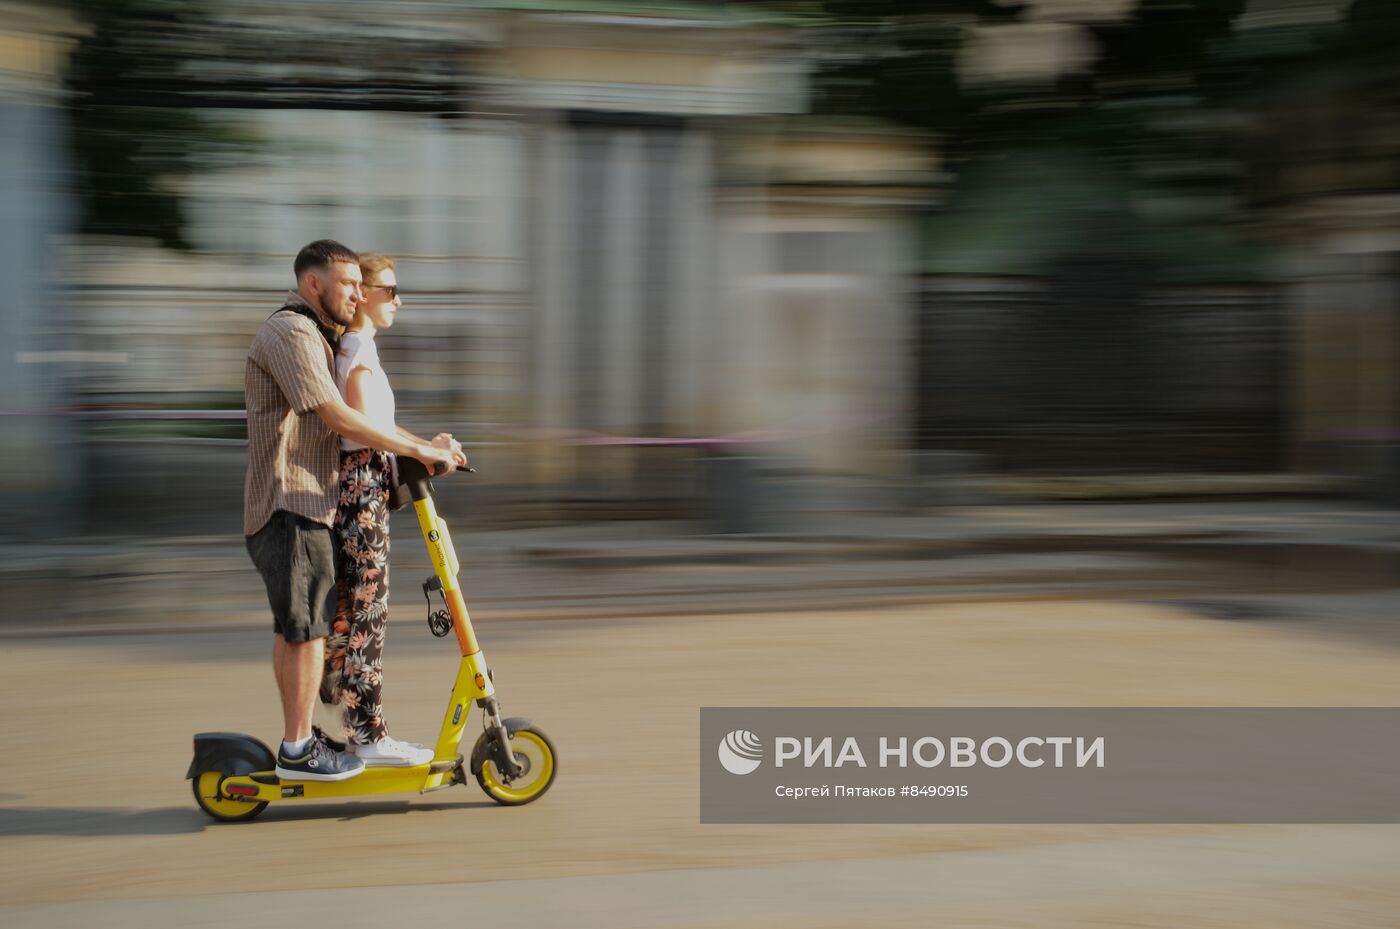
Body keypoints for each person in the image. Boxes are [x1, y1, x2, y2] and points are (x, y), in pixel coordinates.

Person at [244, 239, 461, 782]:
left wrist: (421, 449)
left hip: (312, 502)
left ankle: (332, 734)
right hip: (287, 500)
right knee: (307, 626)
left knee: (320, 623)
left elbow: (368, 427)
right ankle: (299, 750)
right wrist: (419, 450)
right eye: (350, 284)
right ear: (314, 282)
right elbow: (340, 418)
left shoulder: (323, 335)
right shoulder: (291, 331)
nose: (359, 294)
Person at [321, 253, 463, 766]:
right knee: (368, 611)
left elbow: (382, 429)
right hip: (360, 489)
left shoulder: (364, 349)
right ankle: (367, 734)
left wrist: (429, 446)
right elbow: (359, 428)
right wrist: (421, 451)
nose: (398, 300)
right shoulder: (355, 348)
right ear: (363, 294)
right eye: (390, 290)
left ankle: (352, 707)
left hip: (367, 484)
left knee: (361, 608)